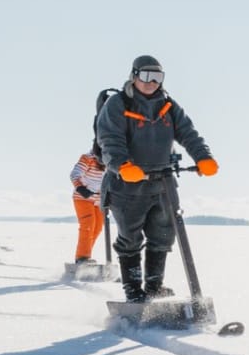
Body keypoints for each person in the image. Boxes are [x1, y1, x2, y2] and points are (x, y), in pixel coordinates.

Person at [93, 55, 219, 302]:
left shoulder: (168, 105)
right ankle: (133, 291)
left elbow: (189, 133)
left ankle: (153, 286)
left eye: (158, 77)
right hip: (126, 184)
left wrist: (203, 156)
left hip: (163, 183)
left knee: (163, 235)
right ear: (134, 75)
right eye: (146, 76)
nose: (151, 82)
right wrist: (122, 165)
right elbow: (109, 139)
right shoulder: (118, 104)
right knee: (130, 238)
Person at [70, 148, 108, 264]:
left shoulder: (110, 160)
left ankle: (86, 254)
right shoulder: (88, 158)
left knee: (97, 227)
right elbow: (75, 174)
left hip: (99, 200)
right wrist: (80, 188)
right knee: (88, 224)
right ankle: (82, 257)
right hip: (83, 197)